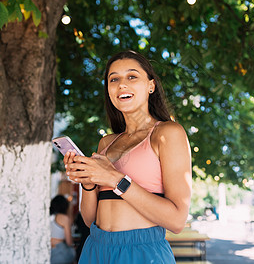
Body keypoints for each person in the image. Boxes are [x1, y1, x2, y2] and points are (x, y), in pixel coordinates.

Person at [63, 50, 192, 263]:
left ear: (151, 85)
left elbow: (177, 221)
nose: (122, 84)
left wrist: (114, 179)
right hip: (95, 249)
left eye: (132, 76)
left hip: (142, 253)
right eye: (114, 79)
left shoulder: (168, 133)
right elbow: (89, 219)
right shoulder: (106, 142)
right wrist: (87, 183)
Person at [50, 195, 76, 264]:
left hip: (48, 250)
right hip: (60, 251)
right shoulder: (63, 218)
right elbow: (69, 242)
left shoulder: (48, 216)